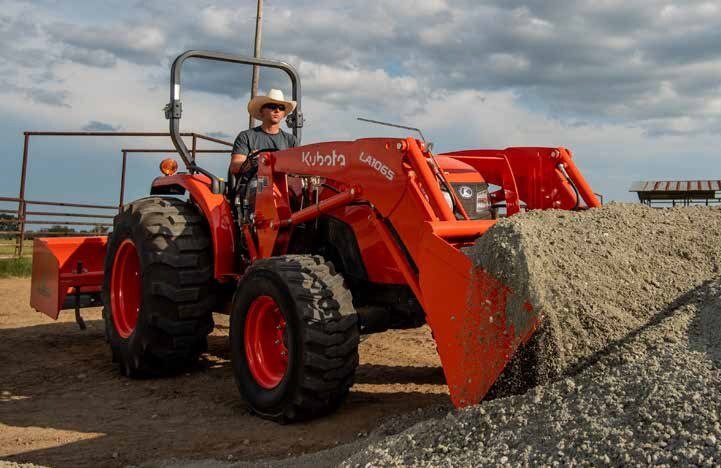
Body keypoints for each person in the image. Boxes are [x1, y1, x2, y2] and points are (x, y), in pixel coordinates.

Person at [230, 89, 298, 174]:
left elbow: (297, 169)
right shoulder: (246, 136)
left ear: (284, 114)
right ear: (261, 111)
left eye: (281, 108)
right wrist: (254, 162)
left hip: (283, 185)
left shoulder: (291, 140)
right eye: (272, 106)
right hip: (253, 185)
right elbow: (235, 167)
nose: (277, 110)